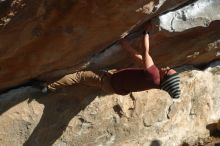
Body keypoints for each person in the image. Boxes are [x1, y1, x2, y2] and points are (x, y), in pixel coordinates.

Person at [41, 26, 181, 98]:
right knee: (96, 79)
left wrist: (146, 32)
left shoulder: (153, 75)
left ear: (164, 77)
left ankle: (48, 87)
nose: (167, 67)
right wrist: (124, 44)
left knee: (79, 77)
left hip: (109, 82)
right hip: (115, 86)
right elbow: (138, 58)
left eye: (168, 70)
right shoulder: (155, 79)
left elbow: (145, 53)